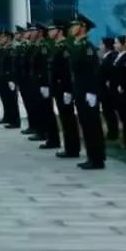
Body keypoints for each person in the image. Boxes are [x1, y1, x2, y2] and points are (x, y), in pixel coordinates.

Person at [67, 13, 106, 170]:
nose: (72, 28)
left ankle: (97, 159)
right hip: (80, 90)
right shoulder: (77, 45)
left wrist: (92, 92)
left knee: (92, 125)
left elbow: (93, 72)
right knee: (85, 124)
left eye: (75, 25)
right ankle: (91, 157)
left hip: (87, 92)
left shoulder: (87, 47)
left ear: (83, 28)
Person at [48, 22, 81, 160]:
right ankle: (69, 147)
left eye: (52, 29)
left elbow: (67, 71)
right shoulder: (57, 46)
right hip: (58, 88)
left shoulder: (65, 47)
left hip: (64, 88)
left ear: (60, 31)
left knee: (68, 119)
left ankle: (72, 148)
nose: (49, 32)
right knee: (64, 118)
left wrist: (68, 90)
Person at [99, 35, 120, 141]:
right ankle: (111, 132)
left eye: (101, 44)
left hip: (109, 90)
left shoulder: (112, 56)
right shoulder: (105, 56)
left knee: (110, 112)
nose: (100, 46)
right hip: (104, 90)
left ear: (106, 45)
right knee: (107, 112)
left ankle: (113, 133)